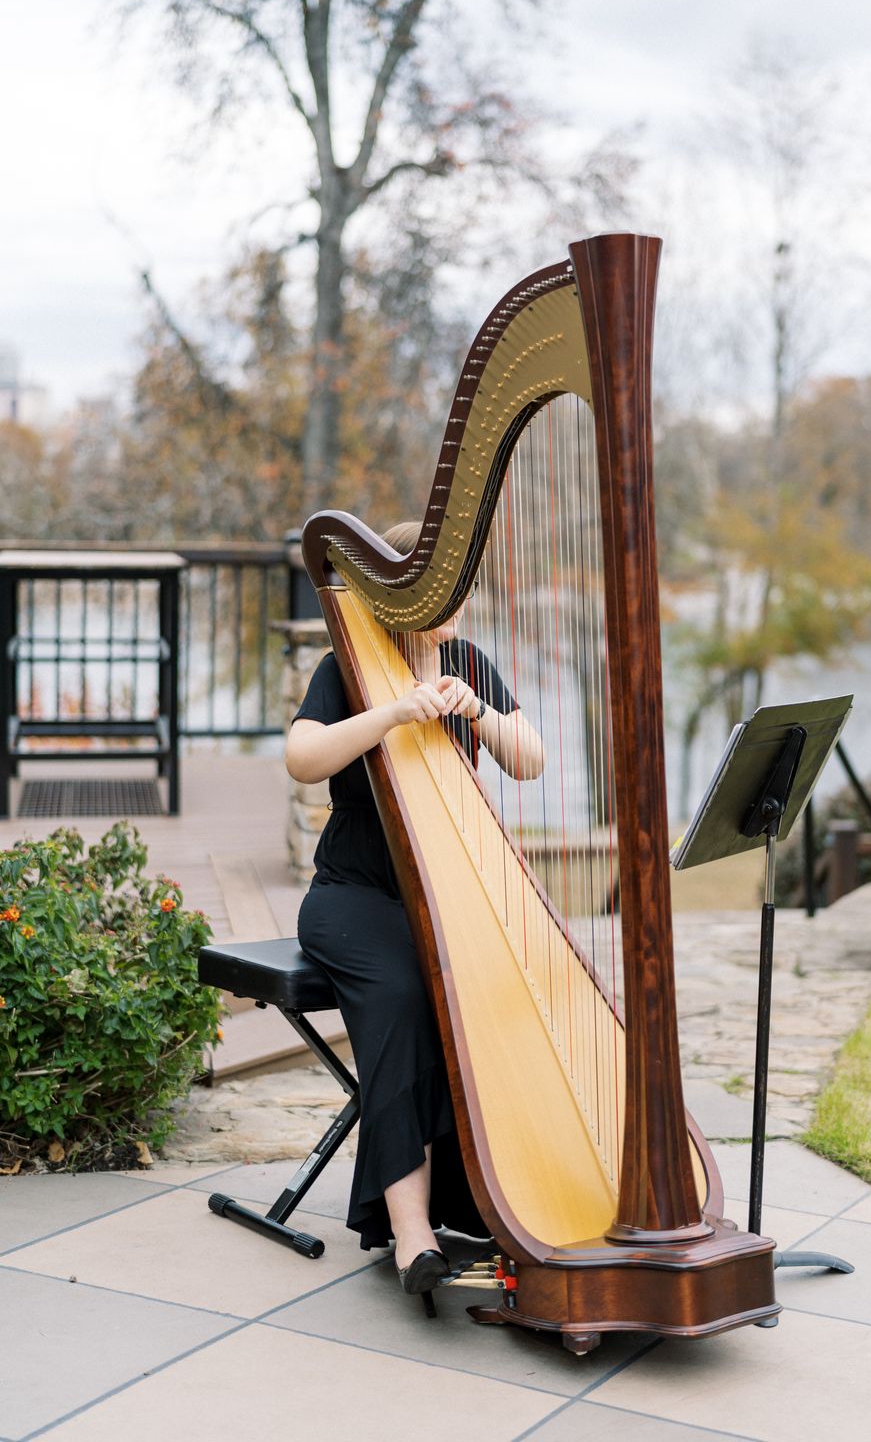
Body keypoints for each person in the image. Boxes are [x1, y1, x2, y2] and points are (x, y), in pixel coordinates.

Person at [285, 522, 544, 1298]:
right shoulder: (347, 668)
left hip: (444, 900)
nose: (458, 599)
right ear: (399, 596)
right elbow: (303, 760)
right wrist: (395, 713)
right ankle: (411, 1234)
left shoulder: (469, 666)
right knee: (403, 995)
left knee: (495, 992)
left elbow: (530, 762)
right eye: (441, 586)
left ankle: (503, 1192)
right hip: (352, 900)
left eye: (462, 584)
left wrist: (480, 715)